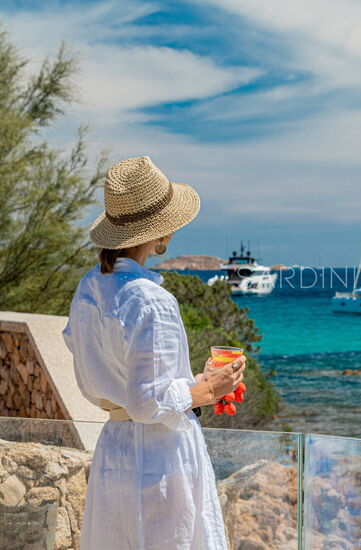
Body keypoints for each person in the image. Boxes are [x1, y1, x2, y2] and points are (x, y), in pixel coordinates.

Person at [62, 156, 244, 549]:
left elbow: (113, 375)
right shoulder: (152, 300)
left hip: (114, 450)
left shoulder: (89, 288)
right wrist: (207, 389)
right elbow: (148, 404)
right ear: (160, 231)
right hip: (160, 459)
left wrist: (191, 382)